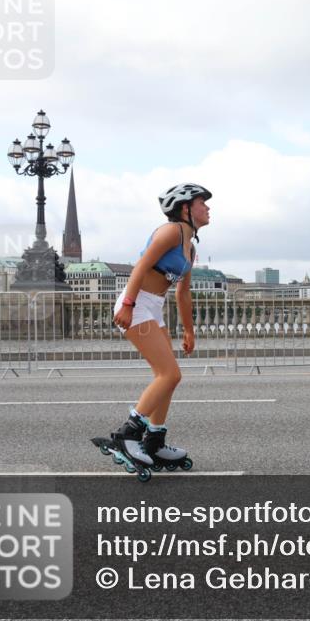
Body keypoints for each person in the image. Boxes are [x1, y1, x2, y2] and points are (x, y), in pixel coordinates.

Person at [101, 183, 211, 476]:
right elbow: (140, 267)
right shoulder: (170, 232)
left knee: (168, 378)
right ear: (185, 208)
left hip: (153, 308)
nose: (208, 208)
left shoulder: (190, 247)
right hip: (137, 305)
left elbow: (182, 294)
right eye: (202, 203)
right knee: (170, 374)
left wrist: (189, 331)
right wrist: (127, 303)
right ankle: (127, 434)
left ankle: (154, 439)